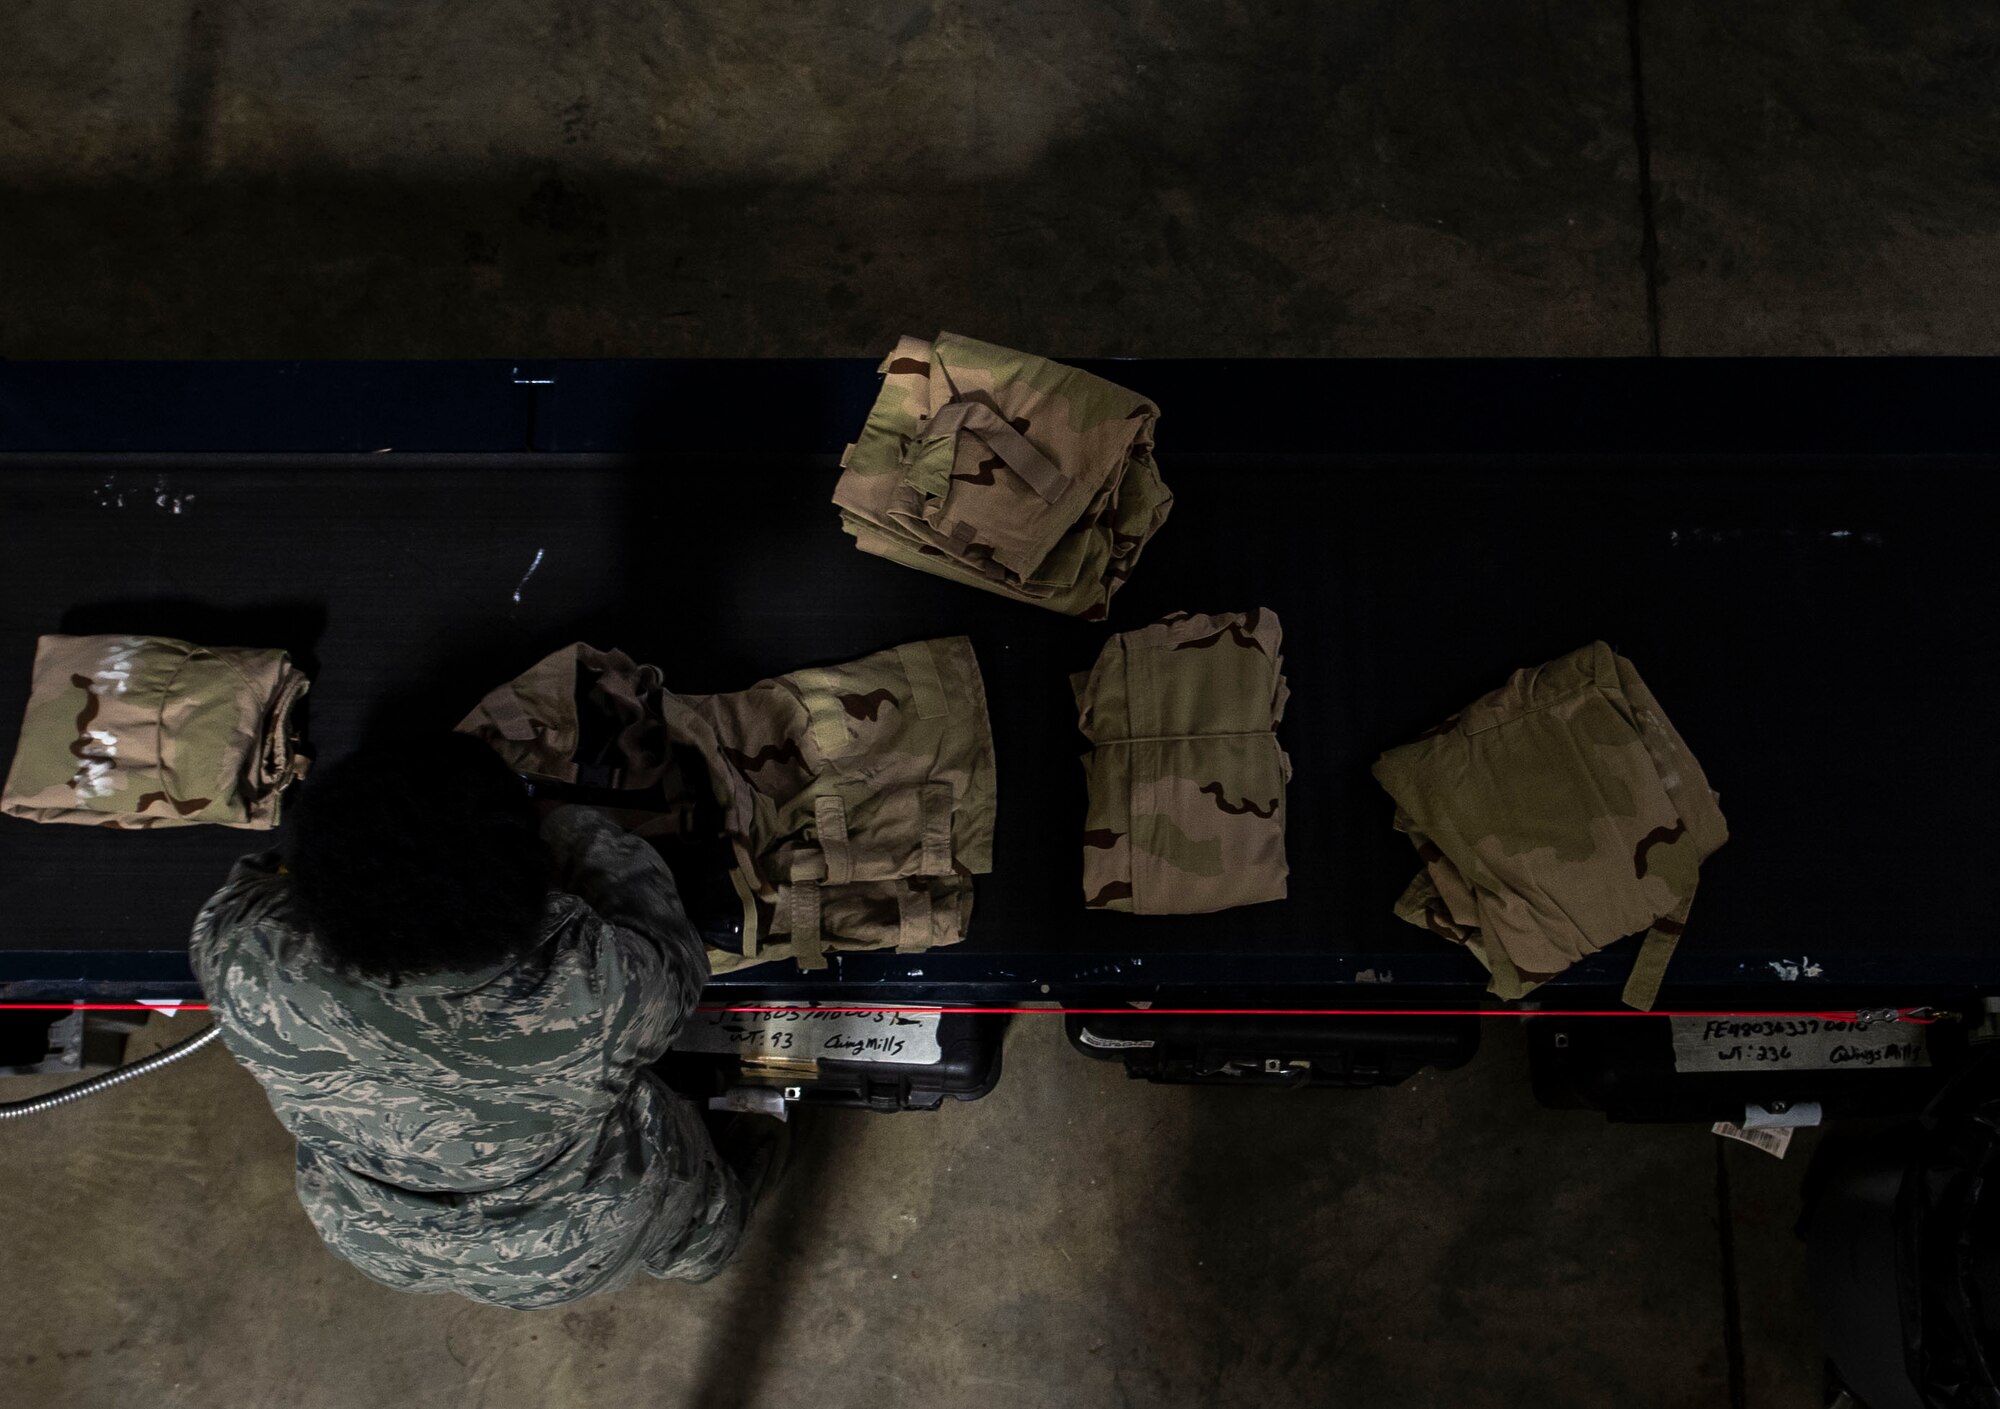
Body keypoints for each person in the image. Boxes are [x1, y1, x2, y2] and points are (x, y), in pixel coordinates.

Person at [190, 731, 777, 1309]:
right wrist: (573, 827)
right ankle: (706, 1247)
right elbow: (674, 955)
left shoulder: (242, 955)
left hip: (378, 1232)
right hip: (566, 1240)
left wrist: (361, 848)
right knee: (689, 1212)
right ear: (531, 887)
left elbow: (264, 880)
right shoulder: (597, 988)